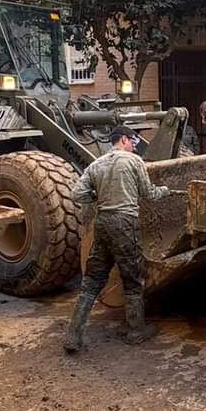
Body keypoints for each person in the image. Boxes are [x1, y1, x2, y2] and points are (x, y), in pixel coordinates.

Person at [64, 127, 175, 352]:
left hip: (103, 223)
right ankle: (136, 331)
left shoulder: (96, 165)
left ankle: (73, 335)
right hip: (124, 223)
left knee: (91, 281)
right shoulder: (133, 161)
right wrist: (166, 191)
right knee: (133, 278)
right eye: (133, 141)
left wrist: (96, 195)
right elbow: (148, 193)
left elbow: (77, 194)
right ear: (123, 139)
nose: (135, 146)